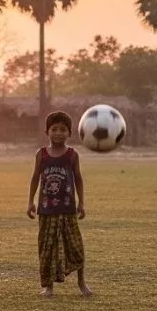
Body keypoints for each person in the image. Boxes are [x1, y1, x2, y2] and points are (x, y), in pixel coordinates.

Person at [27, 111, 93, 298]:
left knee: (75, 246)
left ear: (69, 133)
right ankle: (48, 286)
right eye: (54, 129)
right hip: (46, 210)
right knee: (47, 248)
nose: (58, 133)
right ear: (47, 131)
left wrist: (81, 203)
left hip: (68, 209)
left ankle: (82, 283)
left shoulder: (72, 155)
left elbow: (78, 179)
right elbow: (34, 179)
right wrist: (30, 202)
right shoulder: (41, 154)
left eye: (63, 129)